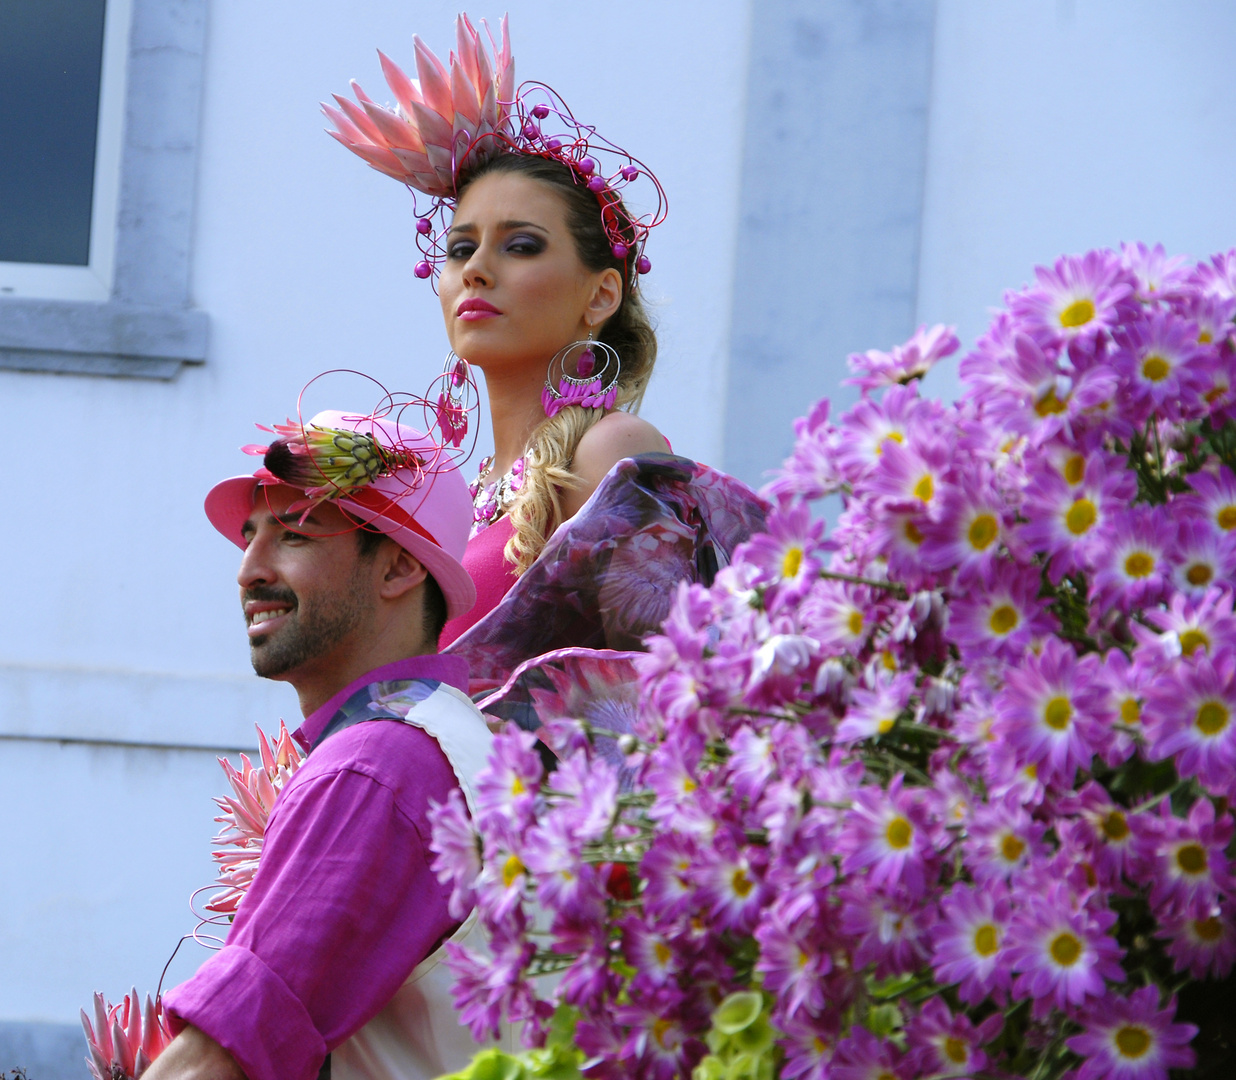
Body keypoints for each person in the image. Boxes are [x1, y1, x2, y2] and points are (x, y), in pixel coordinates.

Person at [326, 15, 766, 717]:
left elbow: (661, 714)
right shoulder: (455, 500)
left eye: (521, 246)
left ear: (601, 295)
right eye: (460, 249)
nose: (476, 270)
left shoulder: (610, 450)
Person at [150, 408, 504, 1080]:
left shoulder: (376, 766)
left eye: (296, 534)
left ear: (399, 568)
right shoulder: (440, 738)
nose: (248, 570)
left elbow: (219, 1057)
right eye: (250, 537)